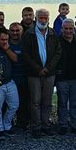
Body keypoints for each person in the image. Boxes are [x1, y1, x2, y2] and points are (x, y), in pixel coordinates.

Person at [21, 9, 61, 137]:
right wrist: (38, 69)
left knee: (47, 101)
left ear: (49, 18)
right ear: (36, 18)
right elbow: (26, 54)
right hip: (34, 74)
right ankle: (36, 127)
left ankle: (46, 125)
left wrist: (48, 68)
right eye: (40, 18)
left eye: (45, 18)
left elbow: (58, 53)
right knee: (35, 101)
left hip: (50, 73)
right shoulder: (29, 34)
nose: (43, 20)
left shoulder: (53, 33)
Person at [55, 19, 76, 135]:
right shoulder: (57, 41)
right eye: (65, 28)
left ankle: (75, 125)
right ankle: (63, 124)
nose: (68, 31)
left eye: (70, 28)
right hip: (62, 77)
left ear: (74, 29)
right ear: (62, 29)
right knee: (62, 102)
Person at [0, 29, 19, 138]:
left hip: (10, 81)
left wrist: (6, 48)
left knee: (14, 105)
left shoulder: (8, 48)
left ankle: (7, 125)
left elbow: (16, 59)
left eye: (7, 39)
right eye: (2, 39)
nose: (5, 42)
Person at [7, 22, 29, 130]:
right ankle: (8, 123)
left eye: (17, 30)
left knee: (24, 102)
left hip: (24, 78)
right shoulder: (5, 43)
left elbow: (20, 59)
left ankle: (23, 123)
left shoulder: (26, 44)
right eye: (12, 31)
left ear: (22, 31)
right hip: (10, 79)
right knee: (9, 104)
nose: (15, 33)